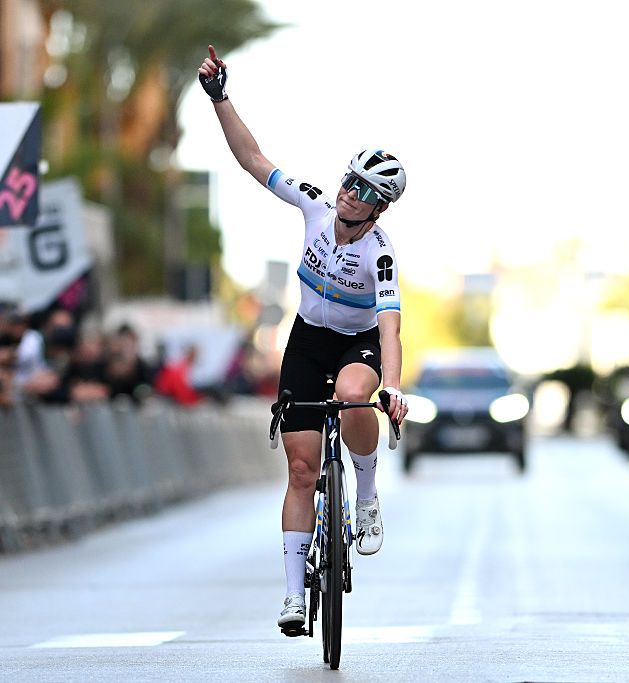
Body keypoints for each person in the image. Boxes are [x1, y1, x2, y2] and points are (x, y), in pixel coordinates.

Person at [198, 45, 410, 634]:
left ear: (379, 206)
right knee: (300, 469)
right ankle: (294, 596)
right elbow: (252, 159)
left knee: (351, 394)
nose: (349, 193)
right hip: (307, 338)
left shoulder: (381, 255)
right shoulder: (314, 207)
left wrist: (391, 388)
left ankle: (366, 494)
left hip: (358, 343)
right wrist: (219, 97)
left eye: (364, 191)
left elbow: (390, 327)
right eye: (350, 181)